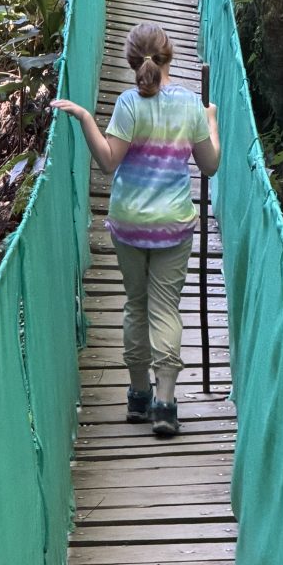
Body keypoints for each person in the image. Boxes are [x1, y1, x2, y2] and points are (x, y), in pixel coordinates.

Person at [51, 22, 220, 437]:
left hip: (128, 224)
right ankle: (165, 403)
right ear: (170, 57)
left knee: (135, 305)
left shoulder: (128, 104)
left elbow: (109, 161)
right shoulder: (190, 107)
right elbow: (210, 165)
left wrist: (86, 117)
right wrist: (211, 121)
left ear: (131, 61)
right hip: (173, 227)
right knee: (164, 309)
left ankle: (138, 395)